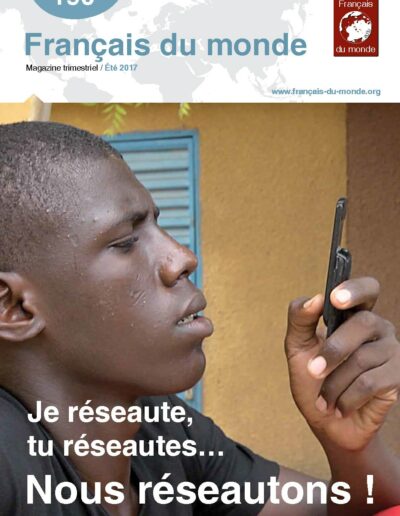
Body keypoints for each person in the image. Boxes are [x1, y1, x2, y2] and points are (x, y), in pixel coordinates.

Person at [0, 121, 399, 516]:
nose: (182, 258)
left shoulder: (162, 430)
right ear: (15, 308)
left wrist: (352, 446)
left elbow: (354, 507)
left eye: (157, 225)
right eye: (125, 242)